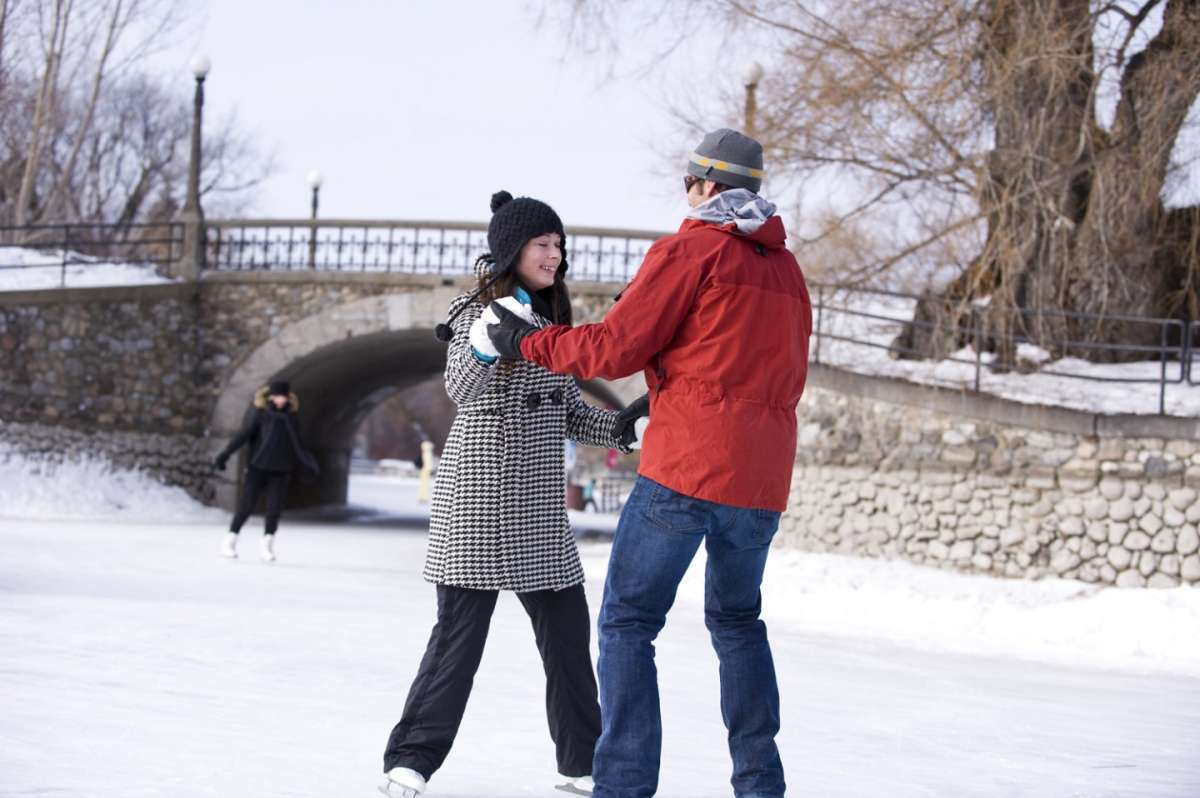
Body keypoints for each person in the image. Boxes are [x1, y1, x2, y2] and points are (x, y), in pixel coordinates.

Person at [486, 129, 812, 798]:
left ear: (705, 186)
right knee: (738, 622)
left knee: (629, 622)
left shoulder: (691, 249)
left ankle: (624, 788)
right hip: (760, 480)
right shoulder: (785, 269)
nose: (684, 195)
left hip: (688, 468)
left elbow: (612, 348)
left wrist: (526, 339)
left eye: (687, 183)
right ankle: (760, 786)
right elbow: (752, 365)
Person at [380, 191, 648, 798]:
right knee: (458, 641)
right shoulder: (475, 308)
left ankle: (582, 764)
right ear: (513, 250)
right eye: (542, 244)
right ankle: (411, 760)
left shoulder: (553, 325)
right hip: (479, 498)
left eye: (558, 245)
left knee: (568, 643)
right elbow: (460, 387)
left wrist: (620, 425)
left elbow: (568, 411)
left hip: (537, 511)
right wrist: (483, 343)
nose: (554, 255)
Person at [214, 380, 318, 562]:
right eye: (277, 396)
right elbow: (243, 436)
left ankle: (267, 546)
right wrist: (225, 454)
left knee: (274, 509)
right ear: (270, 396)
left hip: (281, 470)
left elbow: (298, 444)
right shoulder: (260, 415)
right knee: (246, 506)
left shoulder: (291, 418)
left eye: (284, 396)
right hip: (257, 468)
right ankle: (230, 541)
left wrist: (310, 465)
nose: (281, 400)